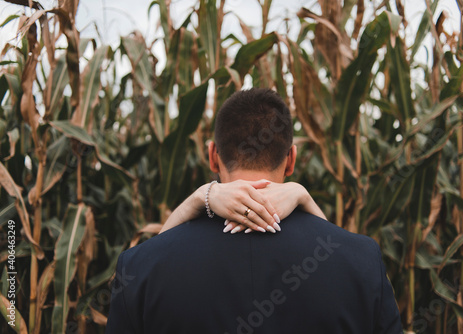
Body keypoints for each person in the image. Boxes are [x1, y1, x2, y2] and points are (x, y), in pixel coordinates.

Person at [106, 88, 403, 333]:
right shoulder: (362, 261)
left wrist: (201, 197)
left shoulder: (139, 266)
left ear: (212, 155)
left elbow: (158, 254)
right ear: (291, 160)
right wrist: (304, 196)